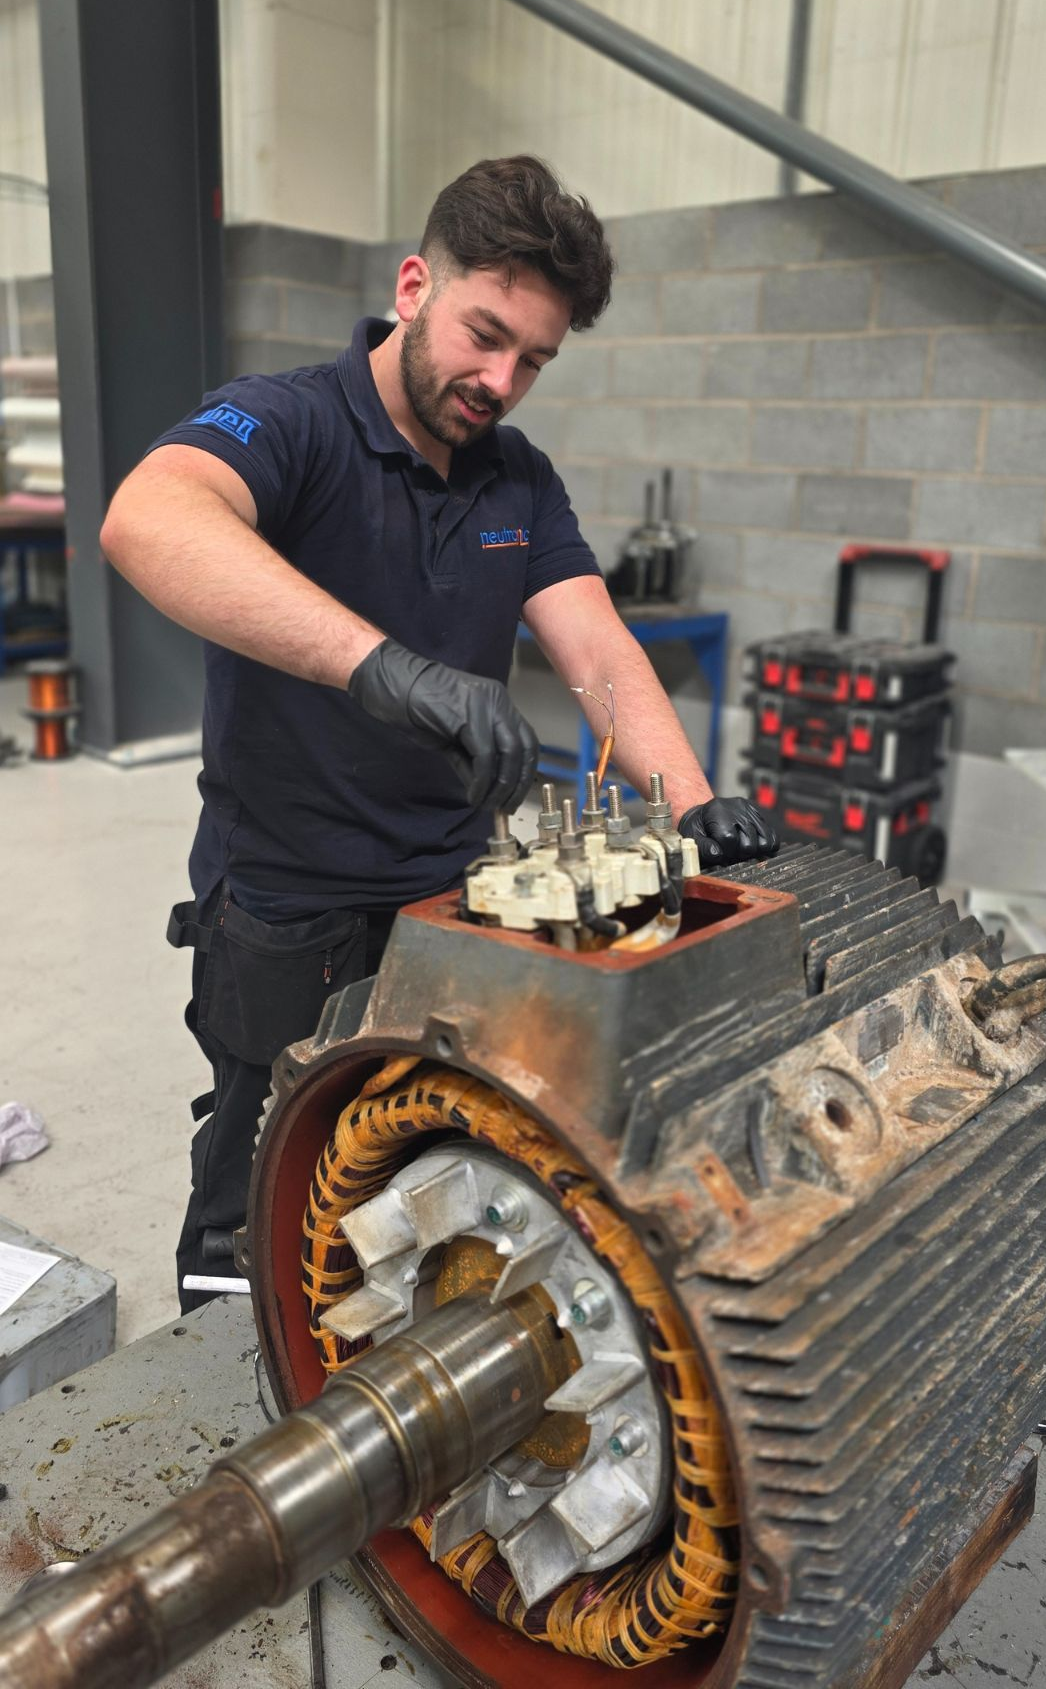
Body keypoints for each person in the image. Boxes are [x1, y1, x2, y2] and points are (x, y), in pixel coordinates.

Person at [100, 155, 777, 1311]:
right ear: (415, 284)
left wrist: (689, 795)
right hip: (286, 899)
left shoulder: (518, 480)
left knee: (417, 1154)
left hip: (452, 900)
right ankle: (221, 1365)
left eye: (534, 362)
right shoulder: (289, 420)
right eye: (484, 334)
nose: (501, 379)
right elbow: (147, 520)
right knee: (265, 1168)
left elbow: (603, 653)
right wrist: (384, 668)